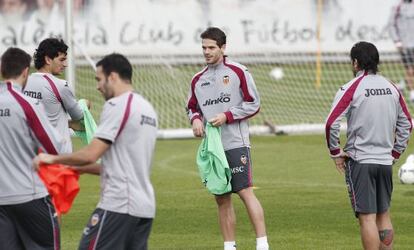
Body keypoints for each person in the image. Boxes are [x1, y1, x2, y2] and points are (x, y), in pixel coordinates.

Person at [34, 53, 158, 250]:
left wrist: (50, 159)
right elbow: (116, 166)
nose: (97, 86)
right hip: (144, 207)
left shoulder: (116, 105)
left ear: (113, 77)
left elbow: (91, 154)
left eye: (99, 79)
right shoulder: (147, 108)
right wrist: (77, 167)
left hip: (118, 205)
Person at [186, 27, 269, 250]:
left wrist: (227, 116)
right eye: (204, 47)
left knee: (244, 191)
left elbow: (254, 104)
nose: (206, 52)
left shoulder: (238, 72)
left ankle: (262, 244)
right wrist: (195, 119)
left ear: (223, 48)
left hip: (235, 142)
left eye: (211, 47)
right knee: (221, 197)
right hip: (213, 147)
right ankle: (229, 247)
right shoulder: (197, 79)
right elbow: (191, 107)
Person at [325, 41, 412, 250]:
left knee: (367, 218)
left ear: (355, 63)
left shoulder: (352, 87)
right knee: (383, 215)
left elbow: (331, 123)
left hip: (361, 161)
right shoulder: (392, 88)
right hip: (384, 162)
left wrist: (336, 152)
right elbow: (407, 124)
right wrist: (395, 152)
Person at [0, 47, 63, 249]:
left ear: (2, 69)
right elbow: (54, 146)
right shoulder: (28, 103)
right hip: (29, 194)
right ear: (26, 71)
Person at [24, 38, 85, 154]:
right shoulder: (60, 86)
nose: (65, 64)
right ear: (48, 59)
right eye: (62, 60)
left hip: (32, 154)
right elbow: (78, 116)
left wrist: (67, 123)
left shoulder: (24, 83)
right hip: (58, 156)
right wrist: (84, 103)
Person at [389, 0, 414, 101]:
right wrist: (397, 40)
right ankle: (412, 94)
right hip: (405, 44)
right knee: (410, 70)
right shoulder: (397, 7)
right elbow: (391, 24)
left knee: (411, 70)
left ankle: (401, 85)